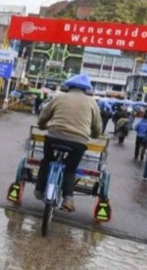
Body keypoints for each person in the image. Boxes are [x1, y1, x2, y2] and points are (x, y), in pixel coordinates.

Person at [35, 74, 101, 212]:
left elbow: (43, 117)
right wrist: (94, 135)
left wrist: (42, 126)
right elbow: (97, 127)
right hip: (78, 142)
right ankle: (68, 199)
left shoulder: (58, 97)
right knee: (70, 168)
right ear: (87, 90)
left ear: (68, 86)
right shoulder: (92, 102)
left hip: (54, 137)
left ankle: (39, 190)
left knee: (47, 160)